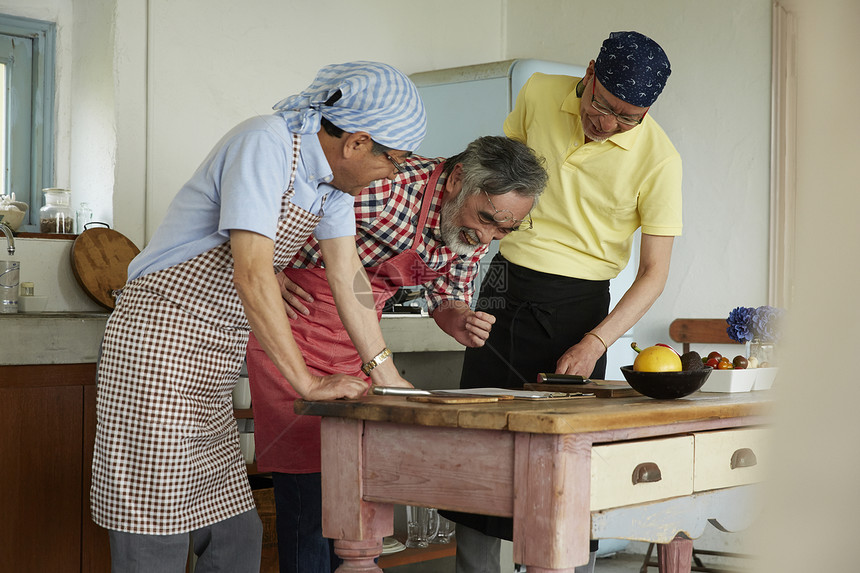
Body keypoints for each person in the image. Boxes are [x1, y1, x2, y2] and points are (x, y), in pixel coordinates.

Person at [89, 61, 427, 573]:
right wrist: (307, 383)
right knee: (154, 534)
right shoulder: (267, 143)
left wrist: (387, 373)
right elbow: (252, 271)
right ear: (357, 143)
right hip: (158, 349)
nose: (394, 174)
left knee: (236, 538)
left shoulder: (331, 183)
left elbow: (347, 273)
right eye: (394, 160)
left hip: (209, 367)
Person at [245, 135, 547, 573]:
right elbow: (258, 206)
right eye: (486, 220)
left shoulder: (469, 230)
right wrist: (267, 266)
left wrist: (457, 317)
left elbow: (447, 297)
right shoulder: (384, 186)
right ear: (458, 179)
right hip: (295, 329)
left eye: (504, 229)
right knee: (310, 490)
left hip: (361, 344)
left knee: (352, 482)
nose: (488, 236)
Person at [450, 31, 682, 573]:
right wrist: (460, 276)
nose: (608, 124)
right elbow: (492, 181)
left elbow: (653, 274)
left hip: (580, 311)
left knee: (565, 473)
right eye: (603, 107)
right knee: (475, 455)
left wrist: (596, 341)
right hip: (504, 282)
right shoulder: (537, 92)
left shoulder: (660, 159)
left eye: (629, 118)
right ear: (590, 73)